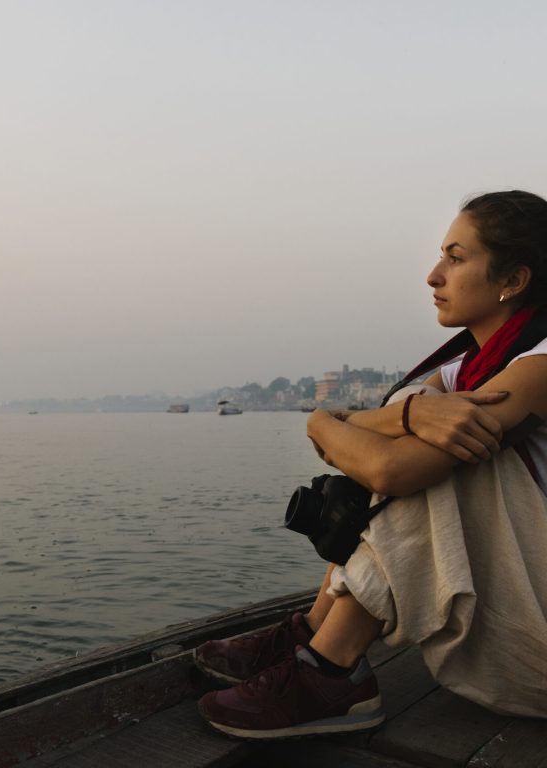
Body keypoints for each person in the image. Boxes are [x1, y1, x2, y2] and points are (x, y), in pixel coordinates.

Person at [196, 190, 547, 739]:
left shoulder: (538, 367)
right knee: (409, 447)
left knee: (442, 463)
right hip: (515, 617)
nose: (434, 275)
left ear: (515, 279)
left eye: (456, 258)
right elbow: (358, 432)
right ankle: (315, 634)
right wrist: (390, 415)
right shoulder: (460, 371)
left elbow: (389, 470)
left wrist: (373, 425)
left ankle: (332, 671)